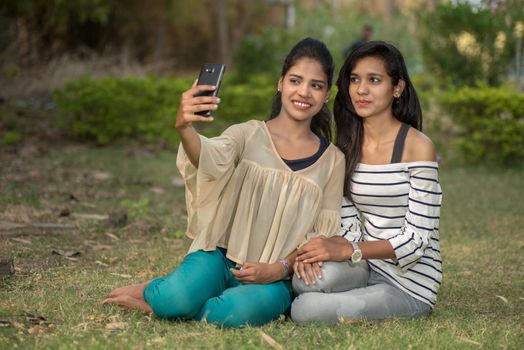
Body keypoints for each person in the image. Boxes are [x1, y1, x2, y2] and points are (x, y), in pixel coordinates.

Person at [102, 38, 346, 328]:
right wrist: (184, 126)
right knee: (175, 299)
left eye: (316, 85)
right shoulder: (247, 134)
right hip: (219, 257)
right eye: (296, 80)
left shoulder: (333, 161)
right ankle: (164, 293)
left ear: (327, 94)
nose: (303, 92)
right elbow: (206, 157)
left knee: (232, 315)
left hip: (275, 278)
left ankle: (161, 305)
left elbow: (320, 237)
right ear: (281, 83)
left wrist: (278, 269)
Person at [291, 41, 442, 323]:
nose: (361, 89)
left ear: (397, 88)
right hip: (365, 265)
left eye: (374, 80)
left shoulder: (418, 147)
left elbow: (417, 241)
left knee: (303, 309)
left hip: (409, 284)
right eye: (355, 79)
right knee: (303, 281)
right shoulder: (348, 147)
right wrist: (324, 246)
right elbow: (349, 223)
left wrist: (349, 250)